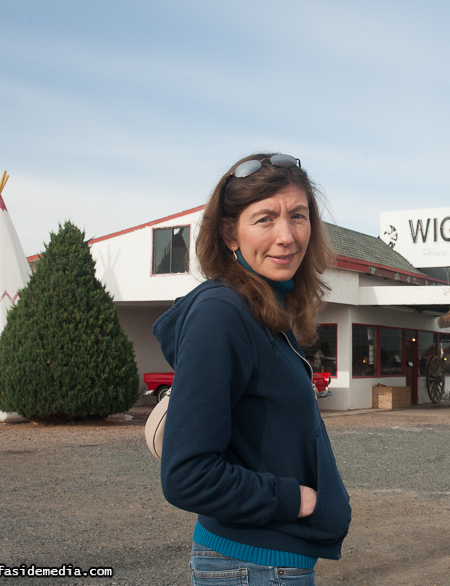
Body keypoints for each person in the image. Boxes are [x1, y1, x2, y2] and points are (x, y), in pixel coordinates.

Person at [152, 153, 351, 585]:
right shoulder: (222, 314)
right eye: (265, 219)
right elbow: (187, 475)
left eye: (298, 216)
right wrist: (293, 498)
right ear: (229, 234)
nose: (287, 236)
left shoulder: (265, 312)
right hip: (252, 567)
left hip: (266, 564)